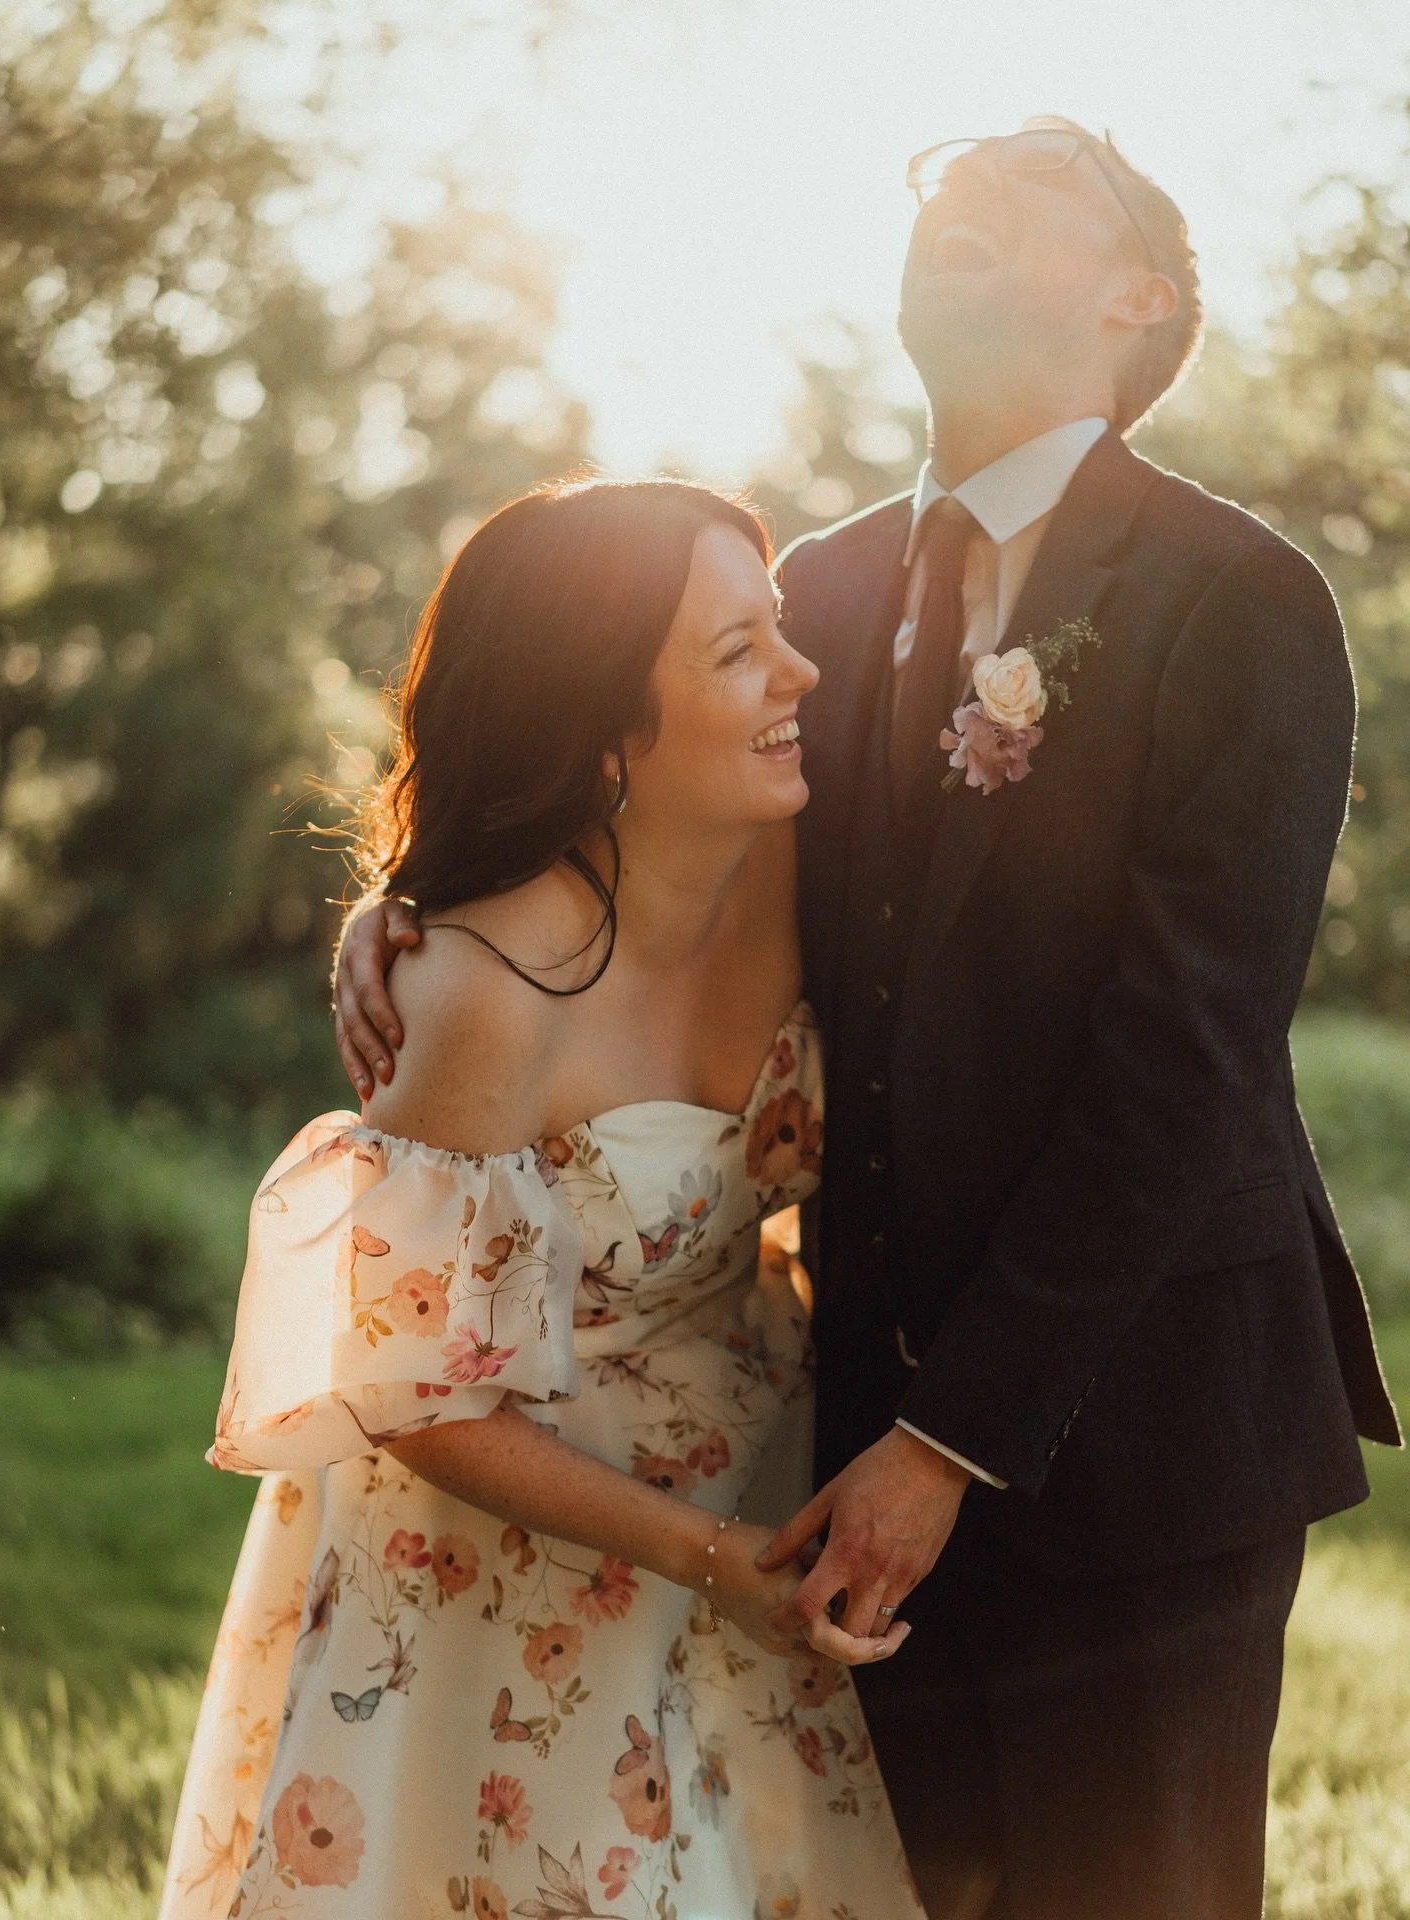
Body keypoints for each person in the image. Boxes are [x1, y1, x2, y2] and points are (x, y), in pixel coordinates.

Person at [335, 120, 1402, 1918]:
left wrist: (949, 1444)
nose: (958, 194)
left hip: (1146, 1433)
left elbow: (1188, 1061)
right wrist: (409, 915)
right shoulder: (808, 597)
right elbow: (623, 831)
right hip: (838, 1445)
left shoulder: (1243, 602)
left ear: (1138, 302)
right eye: (943, 180)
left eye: (1033, 183)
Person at [160, 478, 928, 1920]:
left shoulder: (798, 847)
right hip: (519, 1555)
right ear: (605, 734)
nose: (803, 674)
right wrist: (710, 1560)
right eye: (739, 651)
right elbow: (415, 1395)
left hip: (755, 1466)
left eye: (776, 628)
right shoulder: (485, 990)